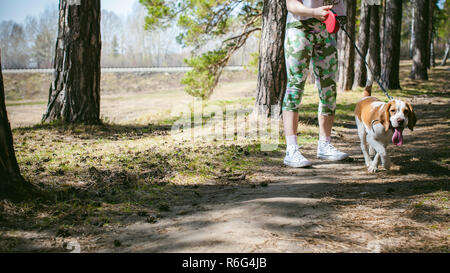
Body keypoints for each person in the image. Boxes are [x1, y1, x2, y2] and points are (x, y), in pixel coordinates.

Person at [283, 0, 349, 168]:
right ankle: (291, 150)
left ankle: (325, 144)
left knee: (329, 88)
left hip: (325, 31)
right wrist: (313, 12)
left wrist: (337, 19)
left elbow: (339, 9)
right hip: (299, 28)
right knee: (295, 86)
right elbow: (291, 5)